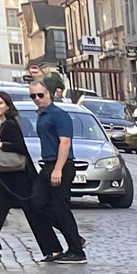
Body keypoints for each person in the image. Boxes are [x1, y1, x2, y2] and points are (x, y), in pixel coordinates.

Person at [0, 90, 59, 261]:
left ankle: (67, 241)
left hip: (19, 177)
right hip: (8, 177)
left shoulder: (10, 123)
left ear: (8, 104)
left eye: (0, 103)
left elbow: (19, 147)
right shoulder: (2, 122)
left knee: (36, 213)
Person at [28, 70, 87, 263]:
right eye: (33, 95)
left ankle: (77, 251)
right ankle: (74, 238)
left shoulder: (58, 115)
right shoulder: (42, 115)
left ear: (49, 94)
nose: (36, 99)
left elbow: (65, 143)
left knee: (61, 208)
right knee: (36, 203)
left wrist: (58, 169)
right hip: (47, 165)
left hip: (60, 165)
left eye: (40, 95)